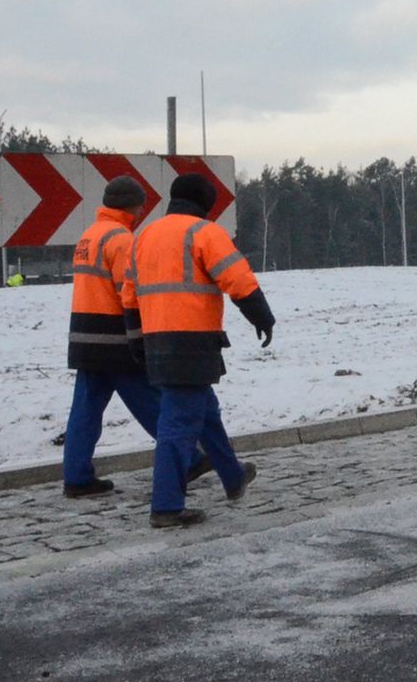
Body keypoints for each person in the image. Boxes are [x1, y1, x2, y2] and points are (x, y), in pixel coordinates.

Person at [123, 172, 275, 528]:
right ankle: (166, 506)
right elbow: (238, 280)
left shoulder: (144, 236)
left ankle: (233, 476)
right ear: (206, 205)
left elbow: (129, 294)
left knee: (205, 411)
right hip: (192, 341)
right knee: (177, 424)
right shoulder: (205, 233)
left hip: (156, 339)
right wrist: (262, 317)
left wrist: (135, 339)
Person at [58, 177, 165, 498]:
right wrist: (144, 335)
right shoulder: (122, 240)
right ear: (133, 206)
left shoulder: (89, 236)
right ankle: (187, 457)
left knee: (85, 410)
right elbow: (128, 294)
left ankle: (76, 477)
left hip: (84, 336)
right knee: (149, 402)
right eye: (141, 204)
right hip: (115, 339)